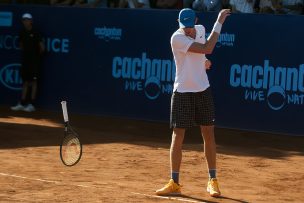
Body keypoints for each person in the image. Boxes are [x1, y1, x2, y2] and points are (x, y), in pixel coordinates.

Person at [155, 8, 230, 197]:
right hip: (182, 92)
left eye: (189, 26)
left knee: (208, 134)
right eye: (184, 27)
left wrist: (203, 61)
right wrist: (219, 22)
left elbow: (202, 53)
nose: (187, 30)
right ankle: (174, 182)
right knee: (177, 136)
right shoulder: (176, 38)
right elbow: (208, 48)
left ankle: (212, 180)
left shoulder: (201, 29)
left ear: (195, 21)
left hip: (203, 89)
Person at [11, 13, 45, 112]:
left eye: (27, 20)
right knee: (25, 82)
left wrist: (35, 57)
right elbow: (21, 45)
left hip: (34, 62)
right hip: (25, 61)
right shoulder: (22, 32)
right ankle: (22, 103)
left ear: (31, 21)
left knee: (33, 82)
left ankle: (31, 104)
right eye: (24, 20)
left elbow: (42, 48)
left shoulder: (36, 32)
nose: (25, 21)